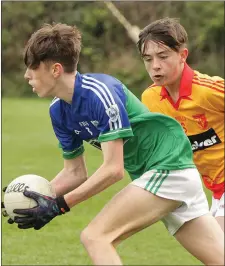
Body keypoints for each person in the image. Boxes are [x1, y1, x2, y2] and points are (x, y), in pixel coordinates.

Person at [2, 23, 224, 265]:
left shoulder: (101, 92)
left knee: (96, 237)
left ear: (55, 69)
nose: (27, 76)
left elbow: (113, 169)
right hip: (161, 175)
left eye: (32, 68)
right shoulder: (58, 112)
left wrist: (60, 205)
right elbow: (75, 172)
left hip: (168, 169)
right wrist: (33, 198)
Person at [139, 17, 224, 232]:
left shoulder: (209, 90)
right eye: (147, 59)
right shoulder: (150, 99)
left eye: (163, 56)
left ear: (183, 56)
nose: (155, 66)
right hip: (214, 191)